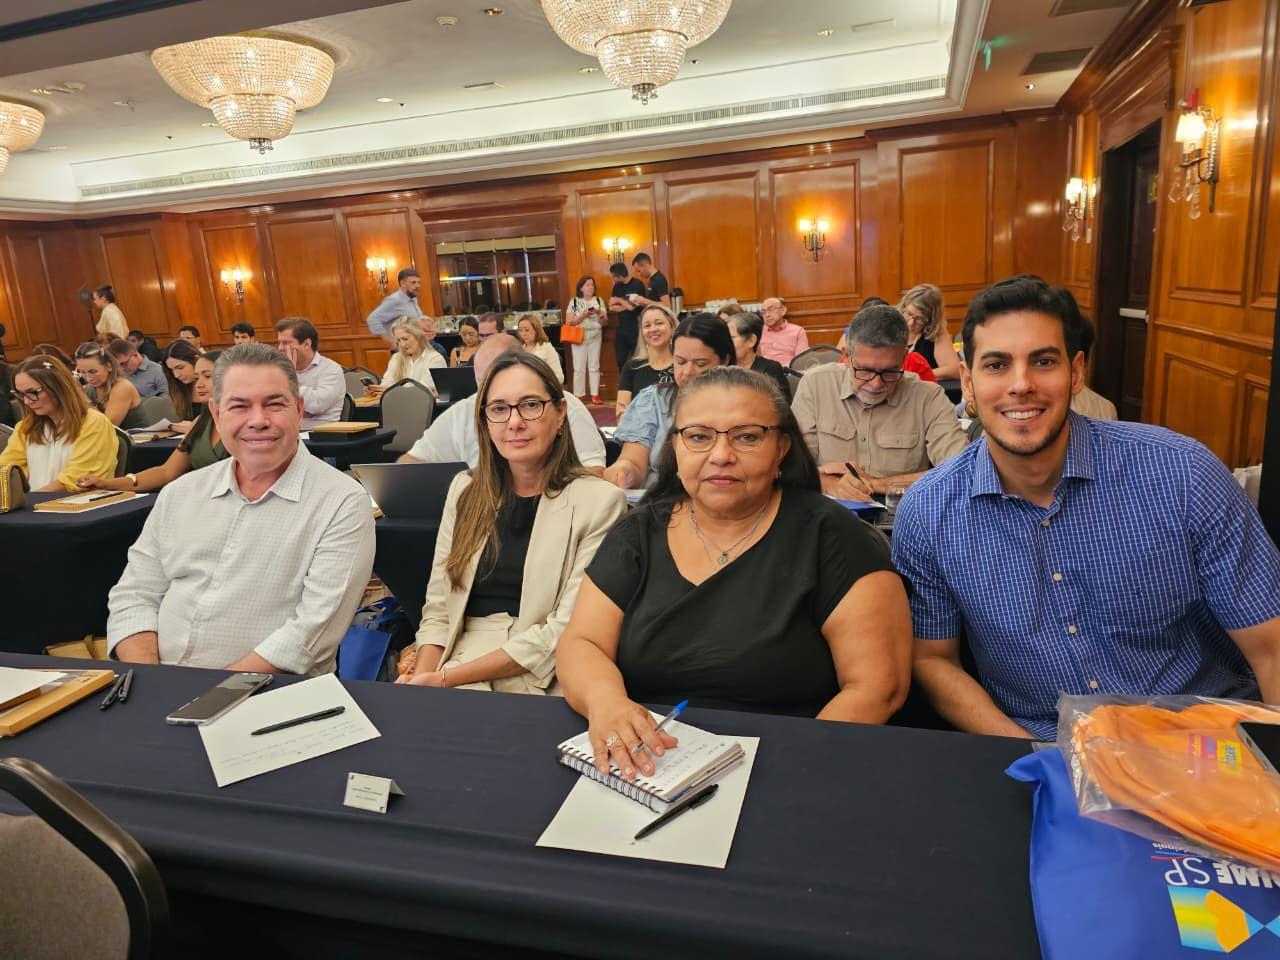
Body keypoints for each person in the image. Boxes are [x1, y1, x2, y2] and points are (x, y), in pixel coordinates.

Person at [891, 276, 1280, 741]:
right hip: (1040, 745)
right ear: (967, 381)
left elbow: (1272, 650)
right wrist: (1028, 751)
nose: (1021, 385)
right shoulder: (929, 511)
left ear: (1076, 373)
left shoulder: (1183, 474)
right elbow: (933, 660)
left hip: (1200, 744)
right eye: (997, 365)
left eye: (1044, 361)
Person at [557, 366, 911, 773]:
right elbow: (581, 642)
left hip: (795, 762)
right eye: (699, 437)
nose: (721, 455)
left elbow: (878, 688)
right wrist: (608, 703)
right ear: (675, 448)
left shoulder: (835, 539)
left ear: (781, 447)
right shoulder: (639, 532)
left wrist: (790, 770)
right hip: (650, 765)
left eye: (747, 437)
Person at [106, 343, 375, 674]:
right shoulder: (180, 493)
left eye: (274, 404)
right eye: (240, 406)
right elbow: (134, 596)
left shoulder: (341, 502)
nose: (258, 420)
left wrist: (201, 695)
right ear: (217, 415)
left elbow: (309, 636)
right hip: (155, 687)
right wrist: (153, 679)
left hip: (268, 701)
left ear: (300, 409)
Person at [396, 352, 626, 694]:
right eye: (499, 409)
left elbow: (563, 630)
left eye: (531, 405)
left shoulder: (600, 502)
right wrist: (421, 685)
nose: (514, 422)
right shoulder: (464, 491)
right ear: (485, 421)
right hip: (457, 661)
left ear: (560, 414)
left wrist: (446, 679)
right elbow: (440, 609)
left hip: (547, 674)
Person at [791, 304, 967, 502]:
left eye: (890, 372)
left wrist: (875, 484)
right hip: (830, 516)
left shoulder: (928, 397)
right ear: (847, 356)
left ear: (903, 360)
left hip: (902, 520)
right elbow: (792, 465)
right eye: (865, 371)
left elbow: (960, 468)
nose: (875, 384)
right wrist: (826, 483)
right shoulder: (816, 386)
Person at [400, 334, 606, 473]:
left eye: (530, 406)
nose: (514, 422)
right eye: (481, 382)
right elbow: (411, 462)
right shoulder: (464, 410)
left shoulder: (562, 405)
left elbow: (593, 472)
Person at [604, 314, 734, 490]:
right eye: (680, 362)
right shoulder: (654, 399)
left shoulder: (742, 402)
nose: (687, 372)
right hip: (660, 501)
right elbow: (634, 460)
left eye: (700, 363)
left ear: (724, 361)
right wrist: (625, 469)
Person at [79, 351, 228, 493]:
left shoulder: (244, 423)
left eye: (208, 376)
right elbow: (166, 472)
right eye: (196, 378)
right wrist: (107, 483)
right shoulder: (200, 422)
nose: (199, 384)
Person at [0, 356, 119, 492]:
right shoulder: (26, 427)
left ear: (57, 388)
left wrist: (30, 499)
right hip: (38, 504)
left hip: (79, 506)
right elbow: (6, 469)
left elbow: (76, 480)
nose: (27, 402)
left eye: (32, 393)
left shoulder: (93, 423)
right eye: (20, 394)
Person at [275, 316, 344, 424]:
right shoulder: (277, 369)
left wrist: (290, 377)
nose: (280, 348)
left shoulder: (330, 369)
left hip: (321, 434)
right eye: (279, 342)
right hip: (287, 431)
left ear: (306, 344)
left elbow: (317, 406)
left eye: (286, 343)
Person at [615, 305, 676, 417]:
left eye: (659, 323)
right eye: (647, 325)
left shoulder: (683, 366)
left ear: (672, 328)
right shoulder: (631, 367)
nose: (653, 329)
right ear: (642, 333)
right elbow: (621, 416)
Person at [74, 342, 146, 429]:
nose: (88, 378)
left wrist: (82, 397)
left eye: (93, 372)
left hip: (138, 440)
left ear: (109, 366)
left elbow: (107, 428)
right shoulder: (90, 388)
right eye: (83, 372)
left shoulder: (123, 387)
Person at [898, 284, 961, 381]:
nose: (911, 323)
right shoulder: (891, 323)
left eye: (919, 319)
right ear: (903, 307)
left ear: (931, 319)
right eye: (909, 314)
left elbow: (955, 370)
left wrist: (917, 375)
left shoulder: (936, 332)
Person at [367, 318, 443, 398]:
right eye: (398, 340)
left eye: (405, 339)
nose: (402, 344)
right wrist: (376, 391)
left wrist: (390, 391)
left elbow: (425, 391)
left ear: (418, 335)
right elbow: (387, 383)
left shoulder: (435, 359)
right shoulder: (396, 358)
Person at [726, 310, 791, 402]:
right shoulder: (722, 368)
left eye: (731, 338)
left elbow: (781, 408)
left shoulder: (770, 369)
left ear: (751, 341)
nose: (726, 343)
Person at [565, 276, 604, 402]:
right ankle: (579, 395)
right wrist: (583, 315)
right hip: (579, 337)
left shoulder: (599, 300)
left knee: (594, 366)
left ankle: (595, 394)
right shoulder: (574, 301)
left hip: (595, 336)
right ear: (581, 287)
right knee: (579, 367)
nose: (591, 287)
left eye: (592, 285)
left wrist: (599, 313)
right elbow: (569, 322)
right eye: (588, 285)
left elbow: (605, 321)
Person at [365, 268, 424, 346]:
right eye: (413, 282)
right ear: (403, 283)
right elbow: (372, 319)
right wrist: (391, 342)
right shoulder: (394, 300)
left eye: (419, 282)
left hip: (417, 347)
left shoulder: (413, 299)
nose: (418, 285)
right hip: (404, 350)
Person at [608, 261, 644, 371]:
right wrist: (625, 305)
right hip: (621, 328)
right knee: (620, 359)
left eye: (613, 276)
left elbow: (632, 308)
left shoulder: (637, 285)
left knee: (638, 359)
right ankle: (624, 384)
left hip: (635, 327)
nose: (613, 279)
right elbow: (611, 306)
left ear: (618, 275)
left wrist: (619, 300)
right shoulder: (617, 287)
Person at [162, 339, 202, 433]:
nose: (176, 375)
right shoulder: (180, 388)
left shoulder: (218, 384)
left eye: (180, 368)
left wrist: (196, 428)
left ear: (196, 360)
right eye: (172, 370)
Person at [759, 296, 809, 366]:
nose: (767, 315)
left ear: (783, 310)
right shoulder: (758, 331)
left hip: (788, 373)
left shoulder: (798, 331)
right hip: (763, 373)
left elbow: (801, 360)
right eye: (763, 312)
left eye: (771, 309)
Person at [516, 313, 564, 385]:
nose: (523, 334)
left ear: (536, 330)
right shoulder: (518, 350)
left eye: (527, 330)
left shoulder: (547, 348)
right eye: (520, 330)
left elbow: (560, 378)